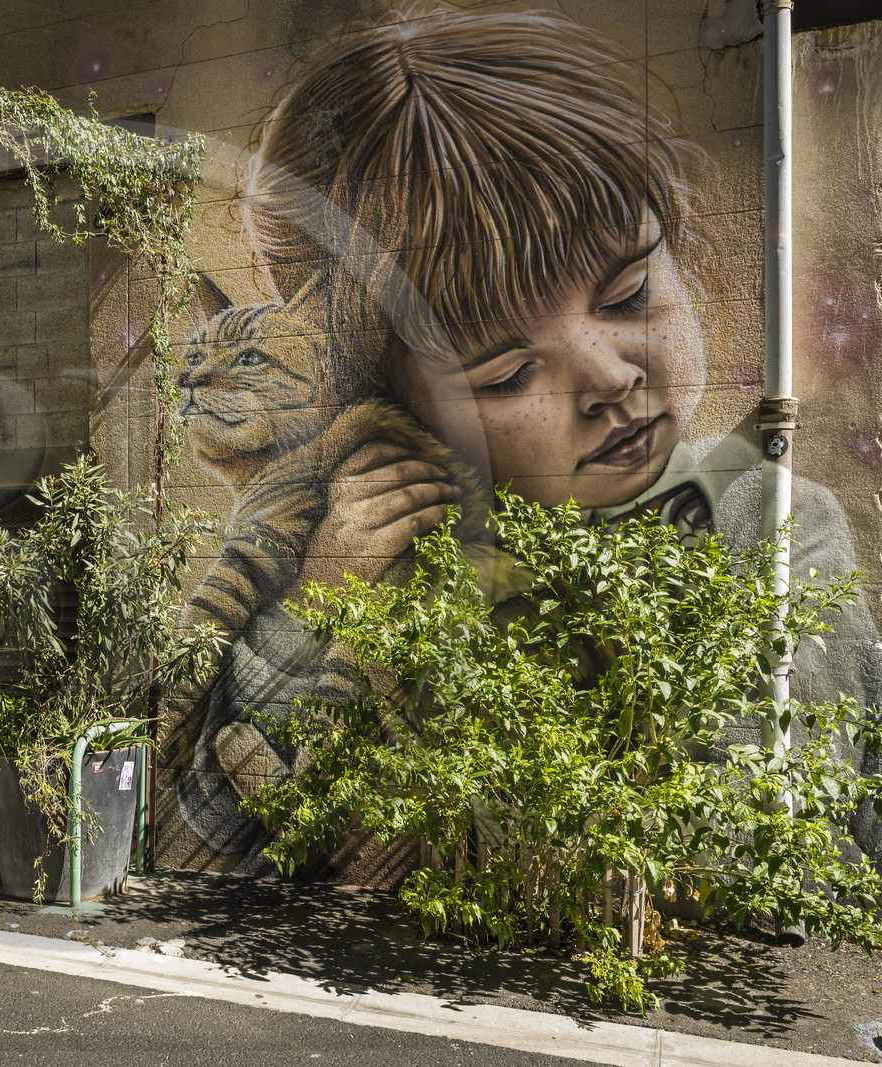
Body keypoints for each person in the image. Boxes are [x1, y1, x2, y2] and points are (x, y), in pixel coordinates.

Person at [208, 3, 880, 864]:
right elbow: (222, 825)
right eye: (508, 374)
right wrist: (318, 600)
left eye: (631, 295)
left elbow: (763, 843)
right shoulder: (378, 554)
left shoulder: (768, 520)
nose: (609, 379)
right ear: (402, 403)